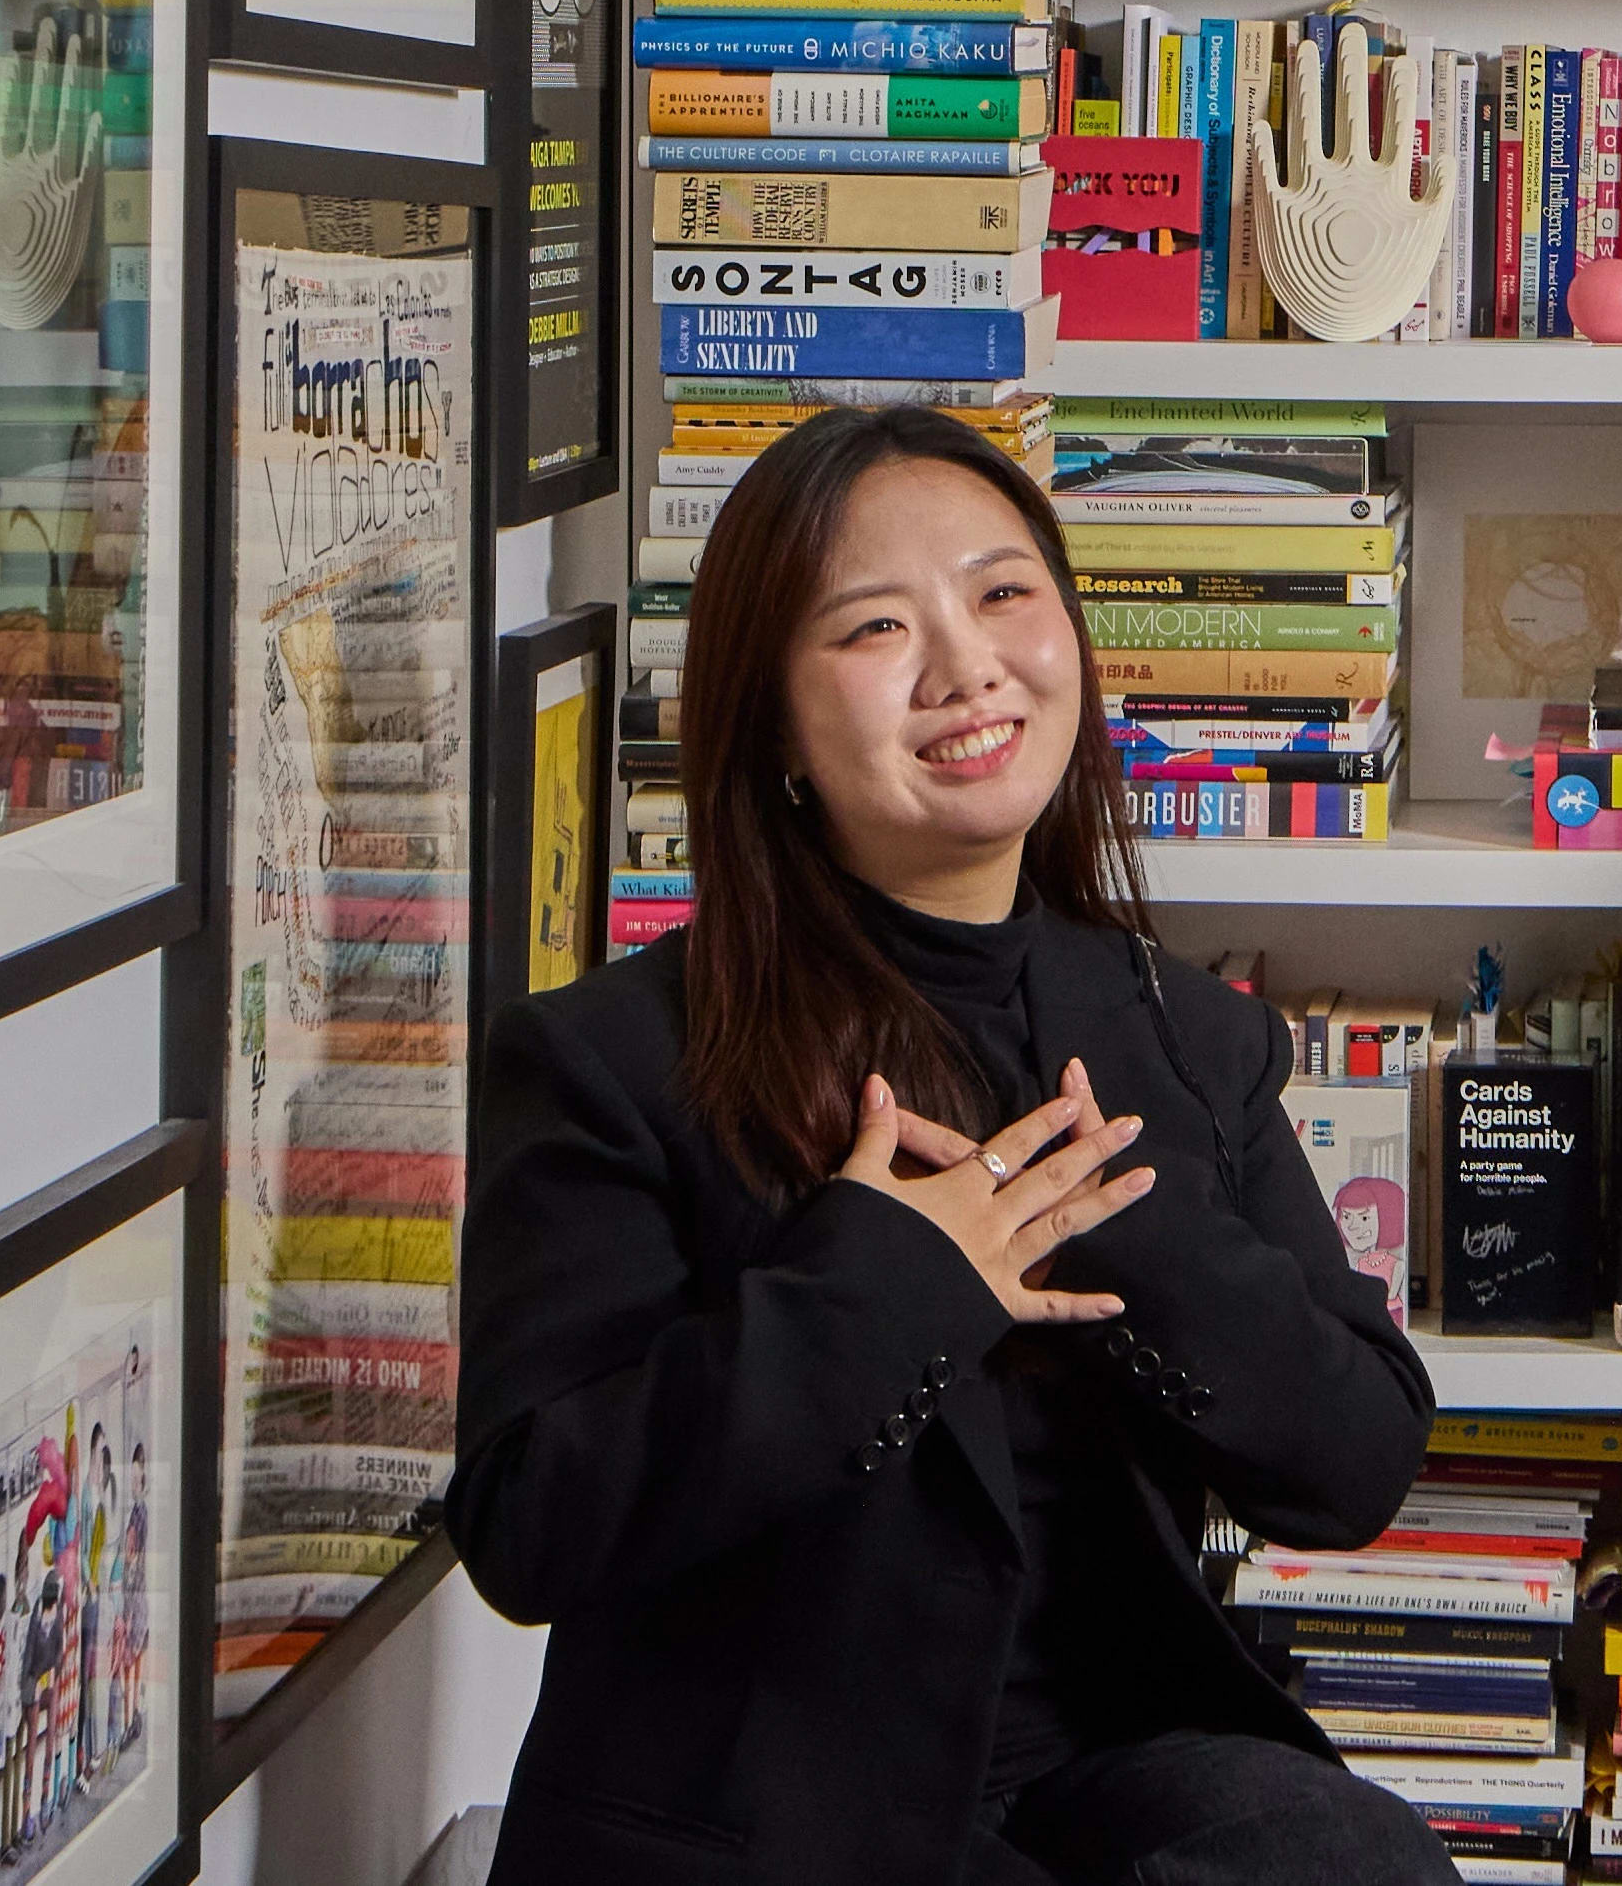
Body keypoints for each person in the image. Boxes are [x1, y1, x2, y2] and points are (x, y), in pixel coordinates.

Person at [449, 406, 1449, 1886]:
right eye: (872, 627)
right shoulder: (606, 1061)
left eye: (1002, 593)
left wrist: (1115, 1213)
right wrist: (884, 1284)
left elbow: (1354, 1464)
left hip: (1110, 1775)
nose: (967, 665)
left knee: (1349, 1862)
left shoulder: (1184, 1032)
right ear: (774, 725)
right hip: (755, 1819)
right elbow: (532, 1528)